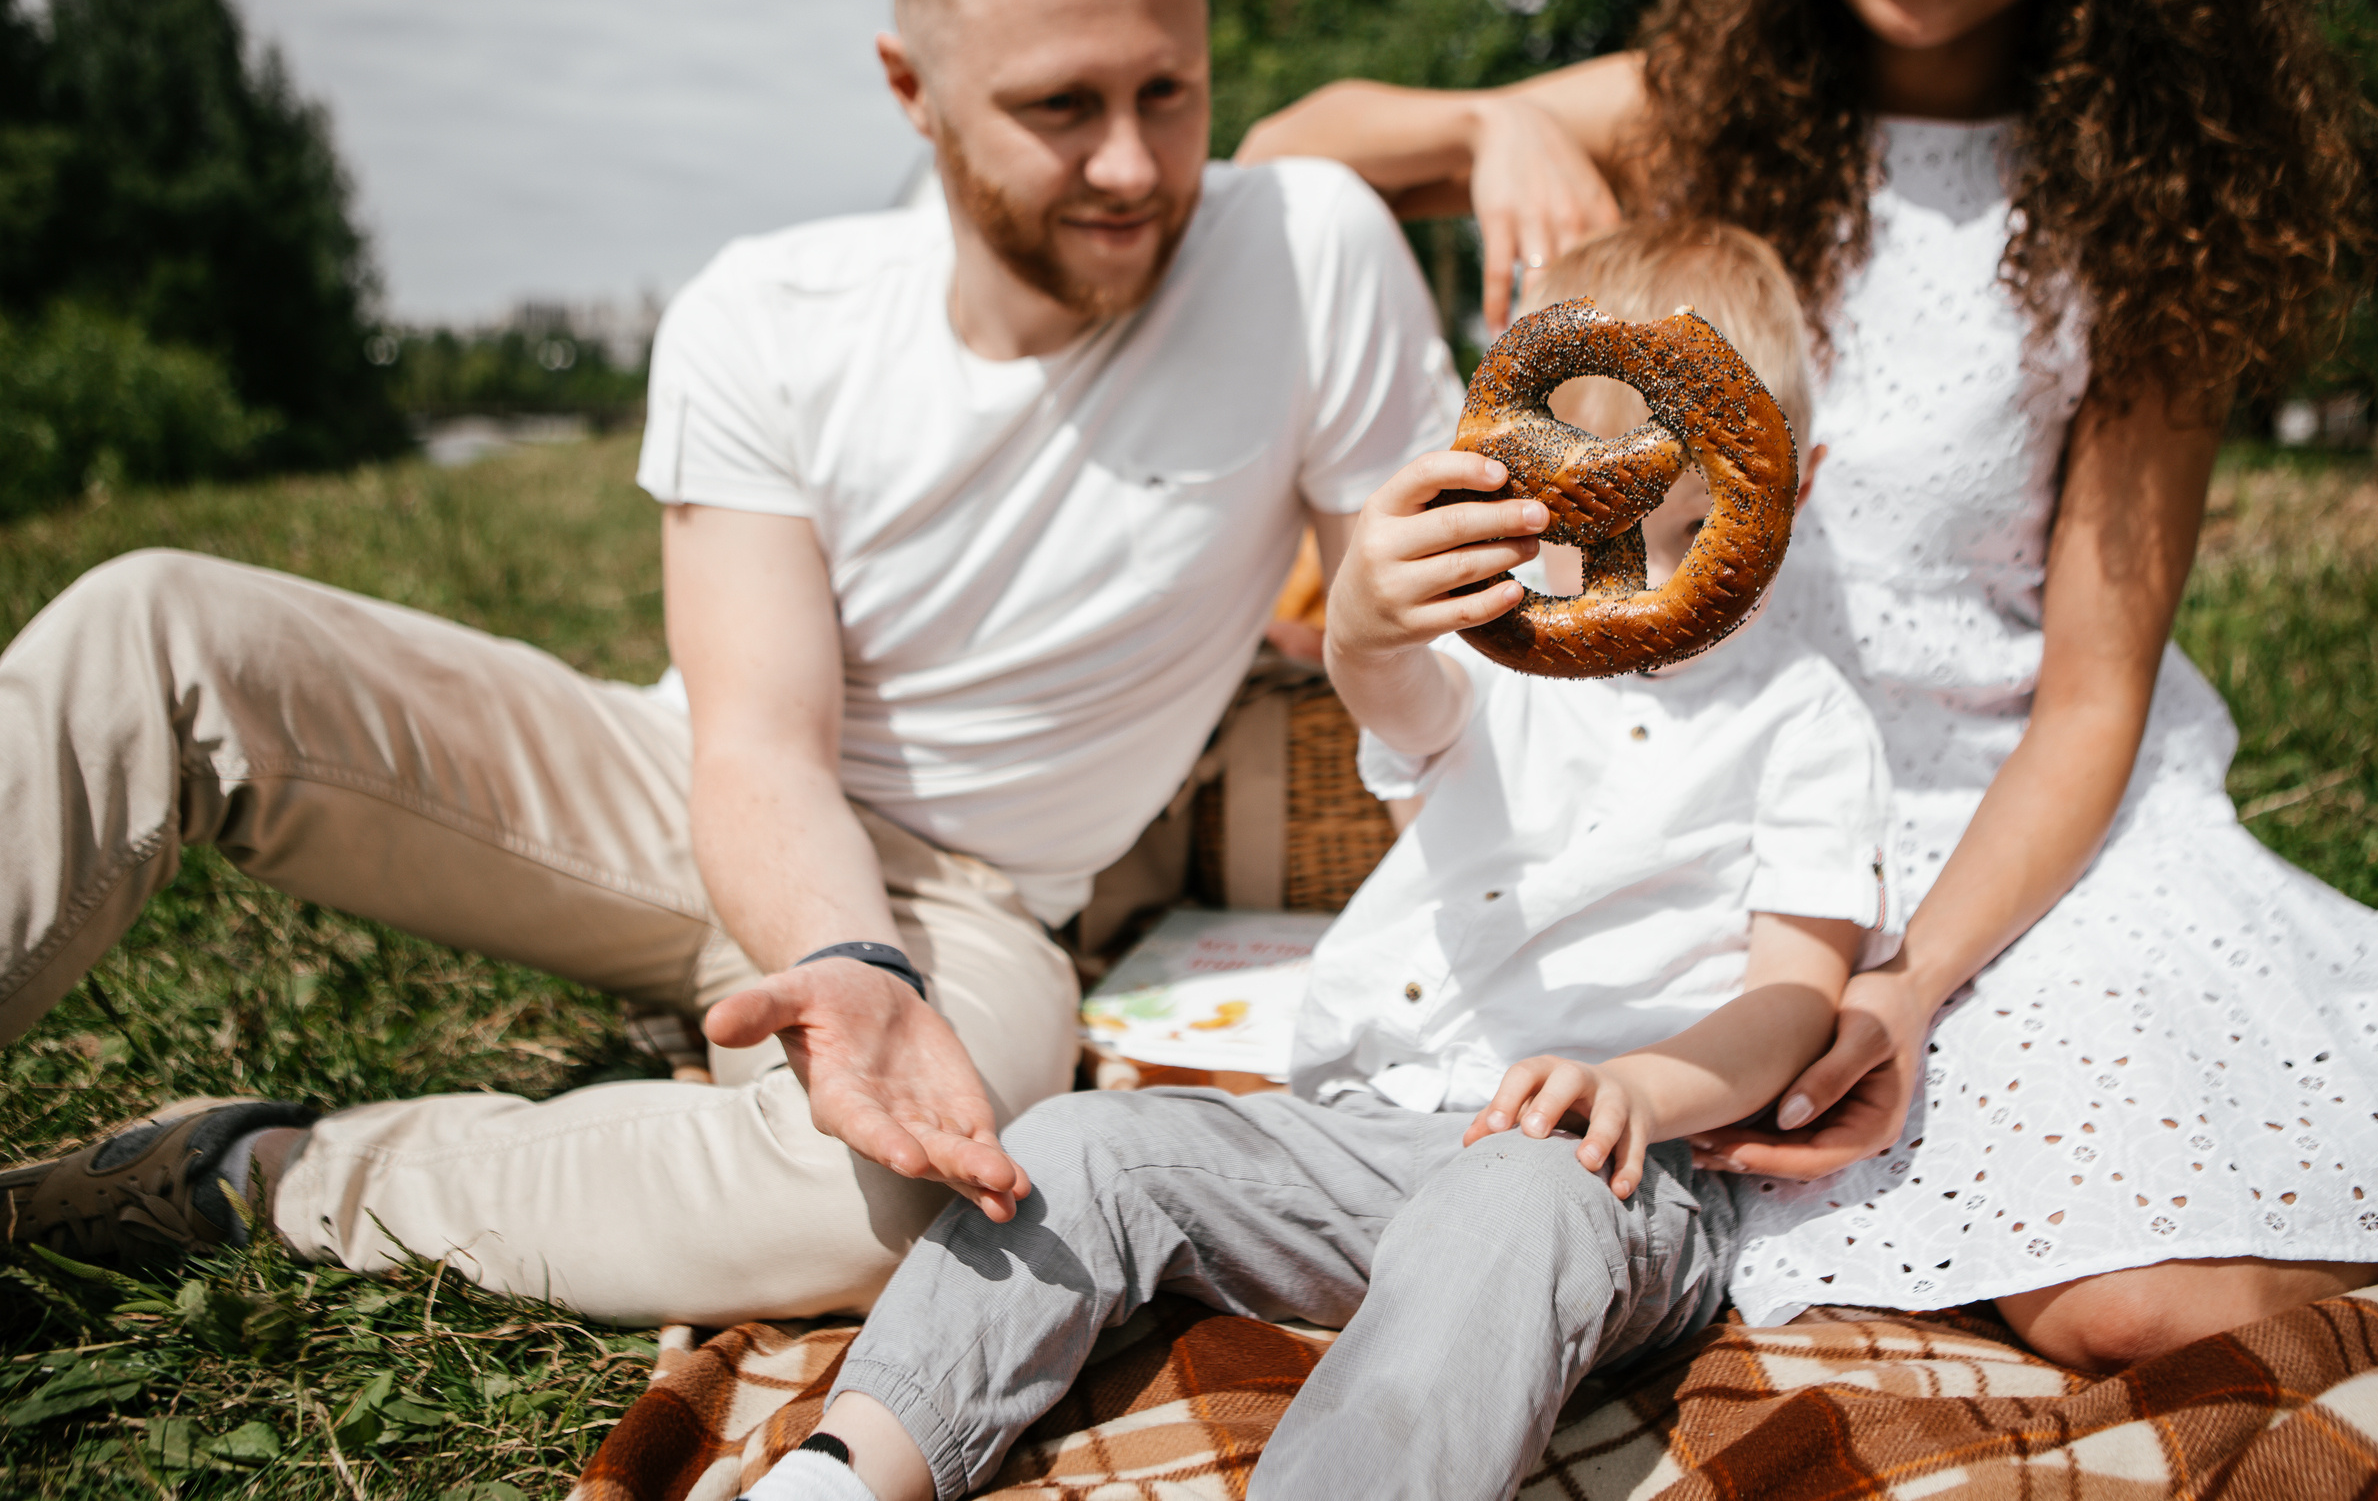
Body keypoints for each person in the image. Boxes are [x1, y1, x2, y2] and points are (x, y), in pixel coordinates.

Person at [0, 0, 1460, 1327]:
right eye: (1059, 105)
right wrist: (838, 955)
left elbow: (1424, 665)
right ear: (914, 88)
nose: (1131, 163)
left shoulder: (1309, 255)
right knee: (157, 626)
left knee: (902, 1191)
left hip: (981, 899)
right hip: (690, 784)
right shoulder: (768, 315)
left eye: (1174, 90)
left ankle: (256, 1173)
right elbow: (760, 742)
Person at [1237, 0, 2378, 1369]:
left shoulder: (2150, 208)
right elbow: (1281, 159)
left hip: (2014, 834)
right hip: (1730, 805)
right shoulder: (1697, 112)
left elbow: (2093, 692)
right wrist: (1480, 126)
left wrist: (1909, 976)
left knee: (2119, 1296)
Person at [738, 221, 1894, 1501]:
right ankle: (860, 1463)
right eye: (1596, 532)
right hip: (1363, 1140)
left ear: (1796, 486)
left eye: (1691, 532)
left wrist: (1639, 1089)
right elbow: (1384, 681)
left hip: (1611, 1186)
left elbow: (1797, 995)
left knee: (1513, 1201)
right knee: (1080, 1149)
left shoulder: (1806, 720)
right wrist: (1365, 612)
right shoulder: (1492, 651)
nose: (1640, 586)